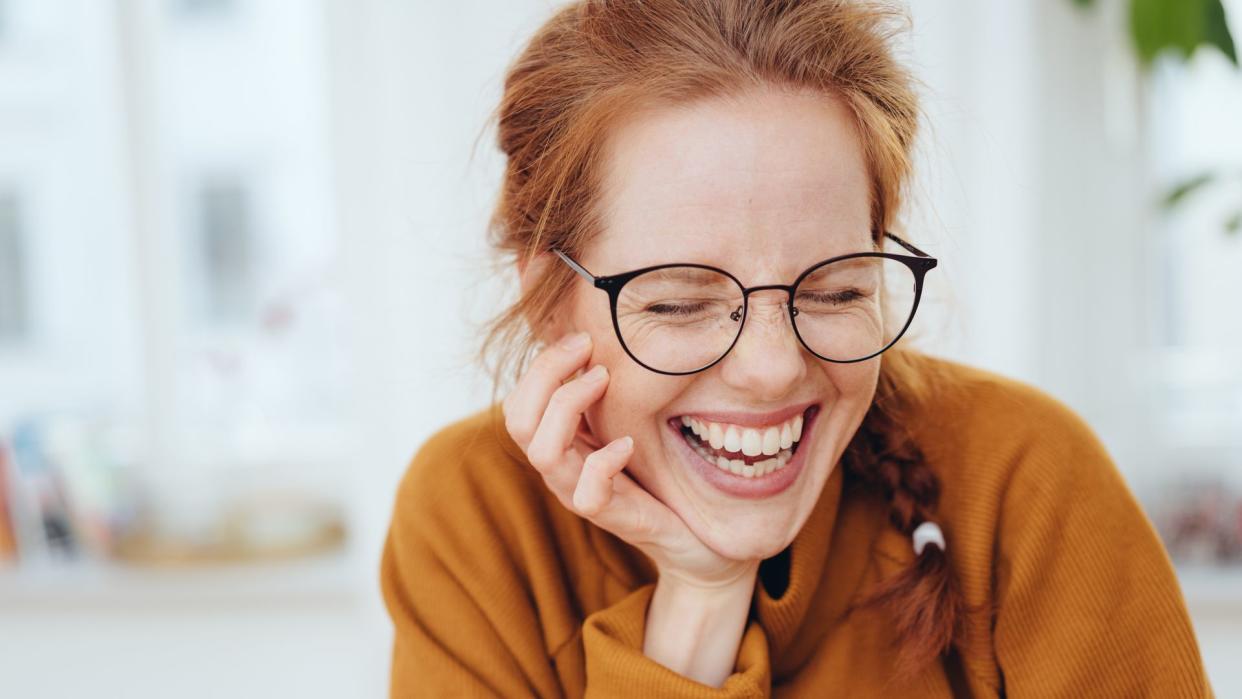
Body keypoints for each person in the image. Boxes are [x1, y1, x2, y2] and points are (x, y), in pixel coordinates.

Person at [380, 1, 1213, 696]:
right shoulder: (475, 517)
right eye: (679, 302)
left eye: (835, 290)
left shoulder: (1024, 477)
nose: (774, 365)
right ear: (545, 298)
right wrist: (702, 596)